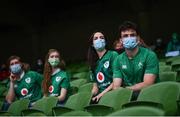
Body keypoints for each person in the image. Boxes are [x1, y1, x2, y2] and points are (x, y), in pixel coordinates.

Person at [113, 21, 159, 100]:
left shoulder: (150, 55)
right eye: (125, 36)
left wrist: (125, 89)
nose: (129, 38)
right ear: (121, 40)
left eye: (132, 35)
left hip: (149, 95)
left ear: (138, 38)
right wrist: (124, 91)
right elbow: (116, 87)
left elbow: (148, 84)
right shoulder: (118, 60)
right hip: (127, 97)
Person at [87, 31, 118, 103]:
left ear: (105, 42)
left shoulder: (113, 55)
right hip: (100, 96)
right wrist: (89, 96)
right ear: (92, 44)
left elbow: (116, 81)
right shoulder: (93, 63)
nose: (99, 40)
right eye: (96, 38)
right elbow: (95, 86)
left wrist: (101, 95)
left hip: (113, 93)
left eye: (101, 38)